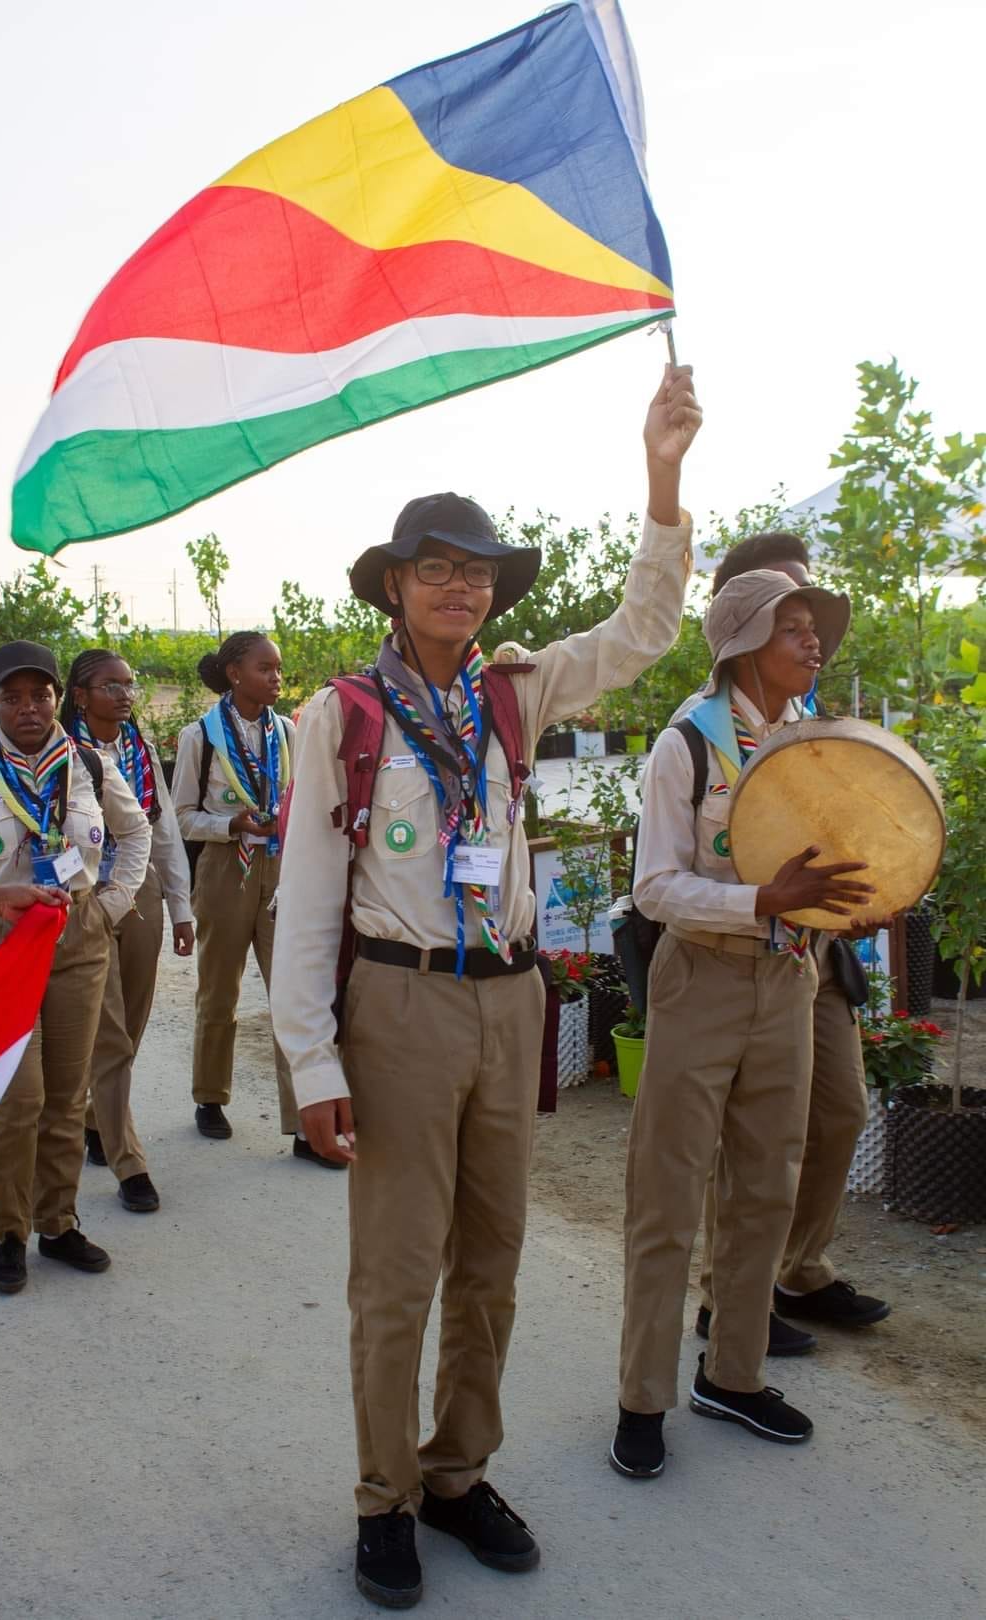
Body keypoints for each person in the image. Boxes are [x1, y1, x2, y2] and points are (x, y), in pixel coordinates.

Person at [272, 364, 702, 1609]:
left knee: (495, 1259)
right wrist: (311, 1062)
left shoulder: (516, 693)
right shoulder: (339, 714)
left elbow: (645, 632)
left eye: (479, 571)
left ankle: (457, 1474)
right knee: (398, 1270)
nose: (461, 587)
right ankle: (382, 1497)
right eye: (436, 567)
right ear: (395, 587)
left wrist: (662, 473)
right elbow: (307, 903)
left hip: (509, 999)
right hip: (398, 1008)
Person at [611, 571, 876, 1483]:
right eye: (792, 629)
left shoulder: (807, 744)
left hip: (788, 980)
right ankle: (641, 1397)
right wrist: (765, 897)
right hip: (703, 980)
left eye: (814, 630)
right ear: (742, 644)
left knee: (768, 1184)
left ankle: (735, 1374)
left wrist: (847, 908)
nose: (813, 644)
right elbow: (653, 888)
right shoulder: (687, 744)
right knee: (670, 1197)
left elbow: (834, 864)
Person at [0, 640, 151, 1294]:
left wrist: (115, 902)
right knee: (17, 1101)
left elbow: (136, 833)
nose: (28, 707)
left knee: (67, 1093)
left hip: (76, 941)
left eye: (39, 694)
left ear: (57, 698)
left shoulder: (91, 767)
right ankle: (9, 1233)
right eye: (11, 697)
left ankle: (58, 1221)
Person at [695, 533, 890, 1351]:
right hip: (734, 954)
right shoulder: (704, 733)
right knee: (747, 1135)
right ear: (743, 623)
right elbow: (673, 875)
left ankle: (797, 1267)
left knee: (839, 1111)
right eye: (790, 611)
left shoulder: (812, 723)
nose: (811, 632)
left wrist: (867, 897)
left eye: (810, 608)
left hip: (815, 952)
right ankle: (725, 1295)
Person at [62, 650, 195, 1214]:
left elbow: (161, 832)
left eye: (129, 684)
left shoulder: (139, 753)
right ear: (80, 696)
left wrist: (181, 907)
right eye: (108, 685)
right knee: (111, 1031)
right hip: (84, 898)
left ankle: (98, 1116)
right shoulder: (61, 753)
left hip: (137, 895)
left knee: (132, 1022)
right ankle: (129, 1162)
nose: (123, 694)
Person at [171, 633, 302, 1153]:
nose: (276, 678)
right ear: (234, 674)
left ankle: (302, 1120)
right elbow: (181, 816)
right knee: (219, 992)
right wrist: (232, 823)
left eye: (278, 669)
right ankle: (209, 1097)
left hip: (280, 868)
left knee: (292, 996)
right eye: (265, 669)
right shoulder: (199, 737)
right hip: (227, 870)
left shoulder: (289, 731)